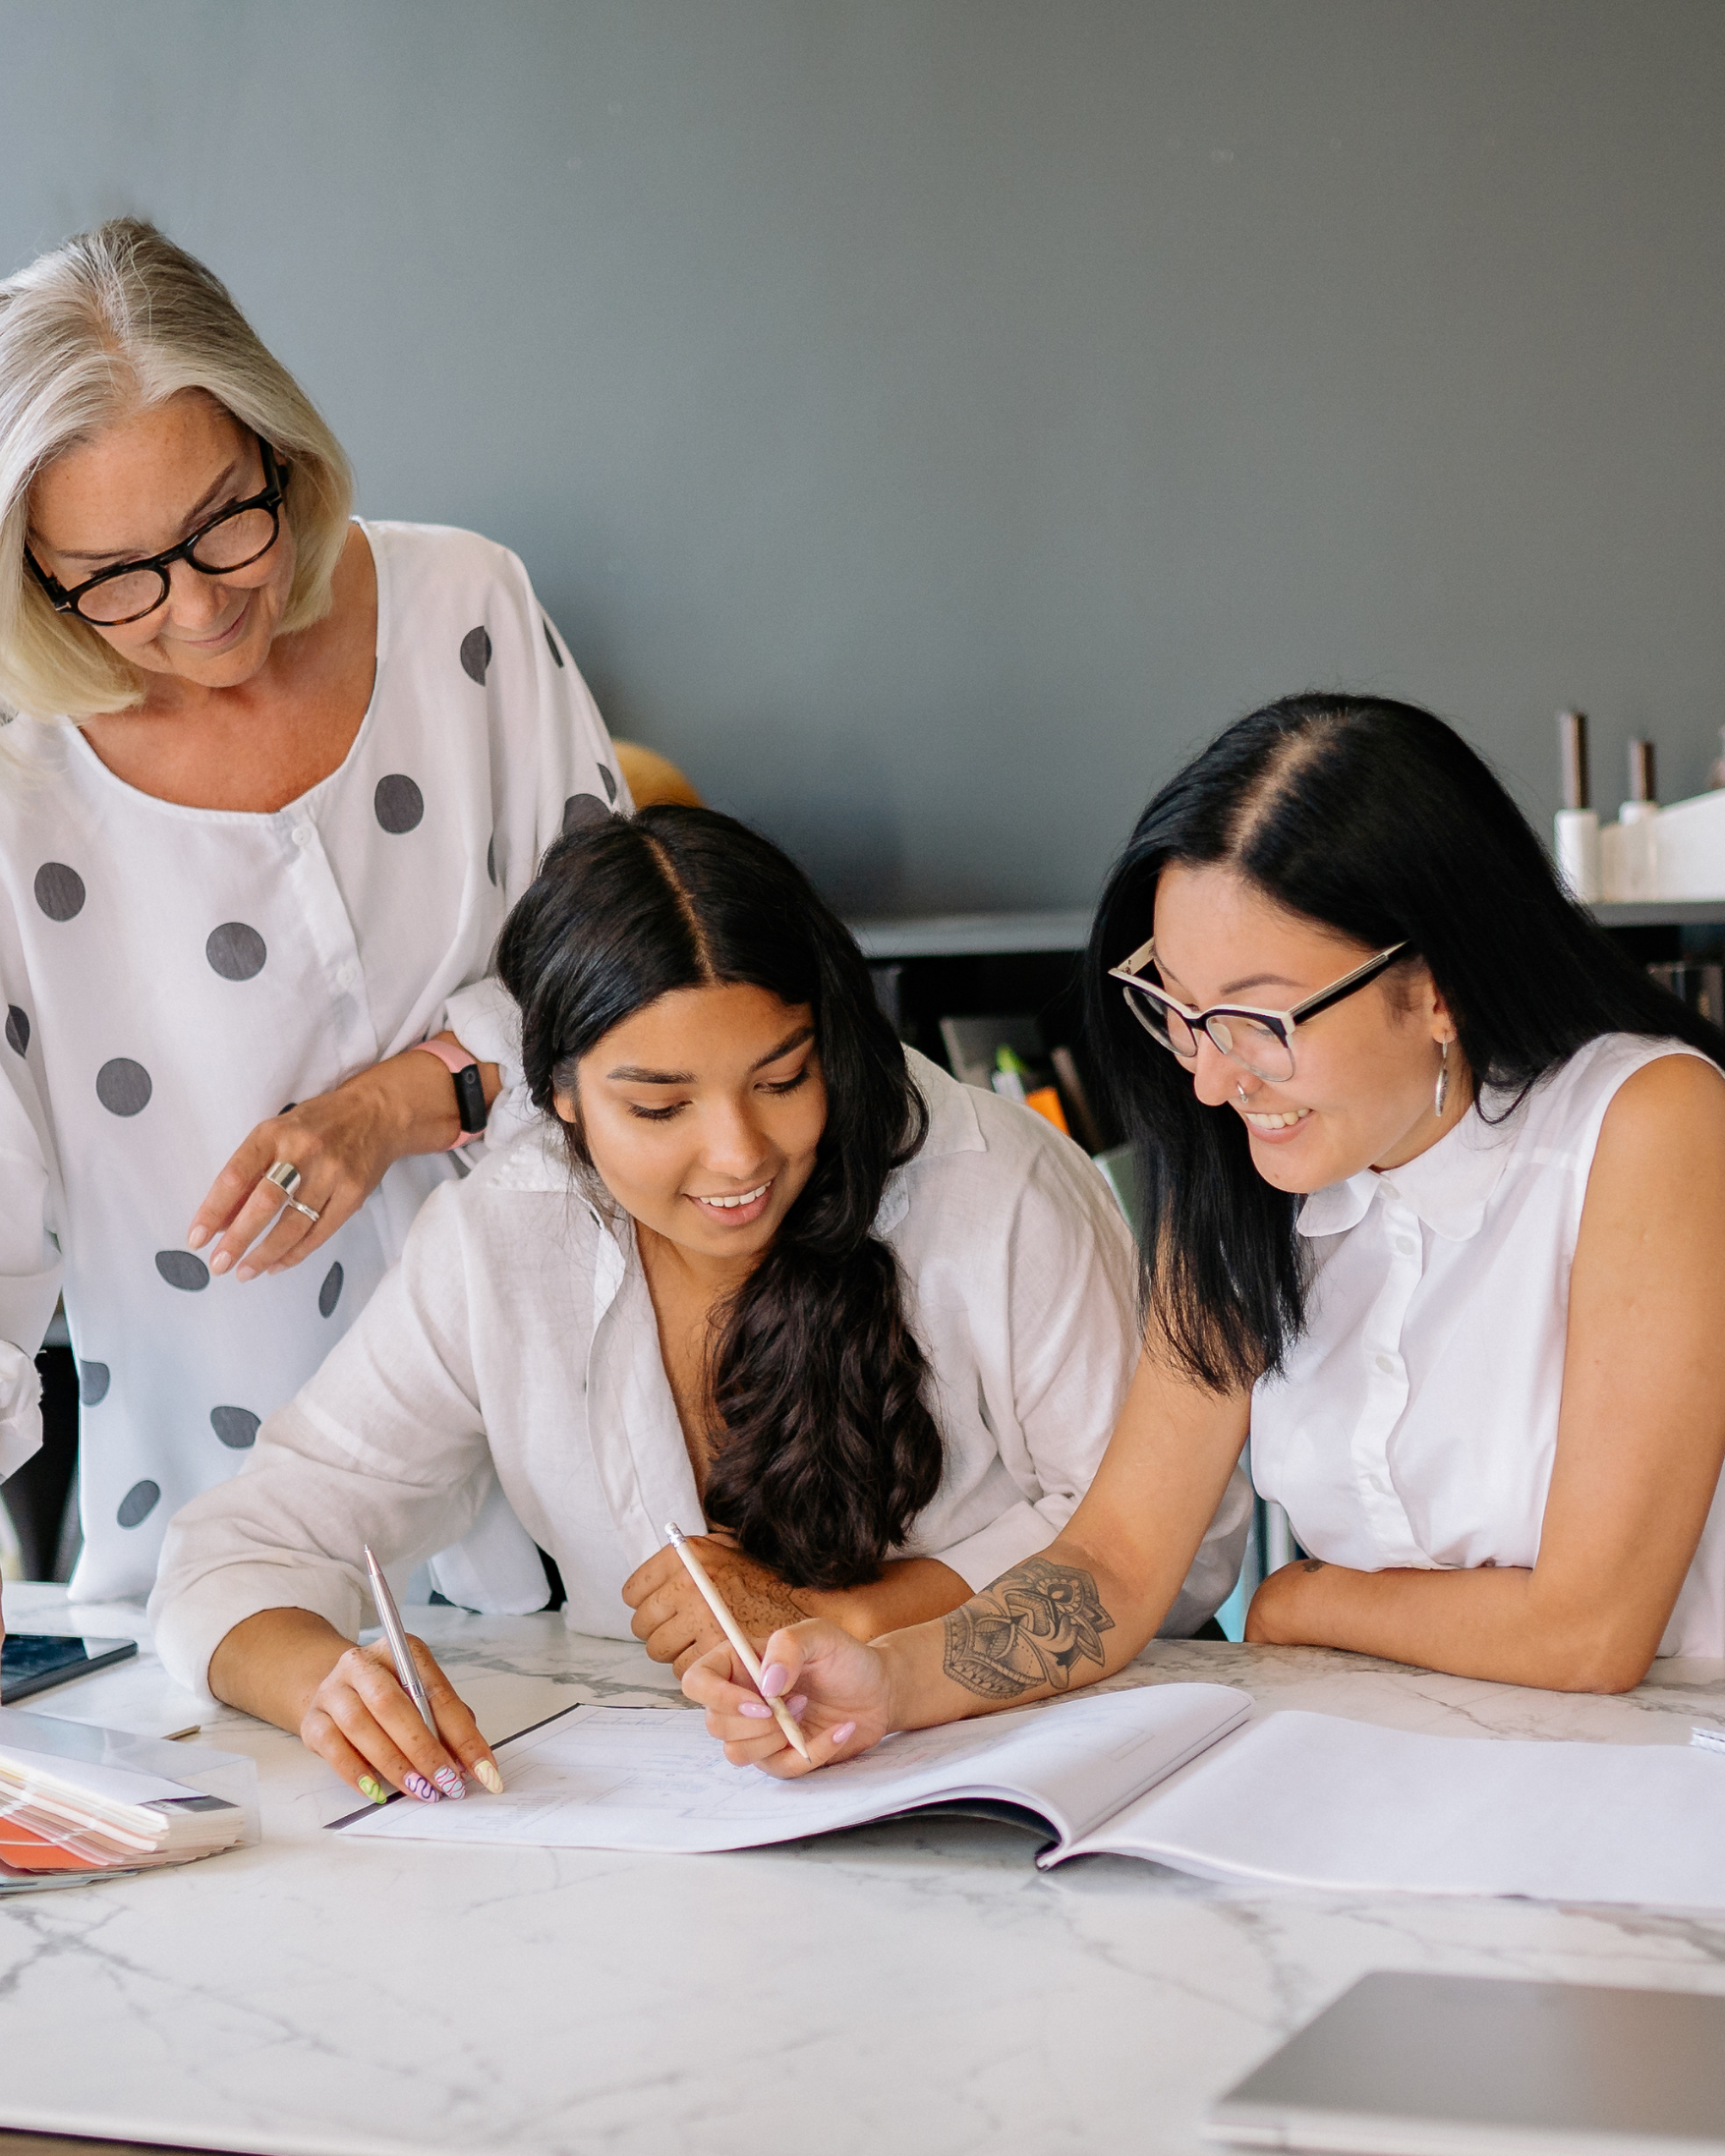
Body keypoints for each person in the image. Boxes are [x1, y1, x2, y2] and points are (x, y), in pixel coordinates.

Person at [685, 693, 1725, 1775]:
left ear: (1435, 987)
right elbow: (1118, 1561)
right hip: (1386, 1763)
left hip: (1658, 1772)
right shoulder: (1246, 1161)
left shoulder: (1645, 1123)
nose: (1212, 1076)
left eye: (1262, 1020)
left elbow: (1591, 1632)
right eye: (1178, 1007)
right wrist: (892, 1680)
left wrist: (1311, 1600)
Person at [147, 806, 1250, 1803]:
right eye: (659, 1104)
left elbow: (1173, 1542)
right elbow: (239, 1544)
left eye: (781, 1079)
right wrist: (318, 1681)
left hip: (1022, 1789)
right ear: (562, 1095)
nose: (739, 1154)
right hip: (681, 1820)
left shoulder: (990, 1183)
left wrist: (859, 1614)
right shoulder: (500, 1238)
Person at [0, 218, 628, 1607]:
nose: (202, 608)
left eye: (226, 519)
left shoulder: (464, 606)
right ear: (36, 575)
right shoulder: (14, 781)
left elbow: (633, 990)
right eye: (113, 578)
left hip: (576, 1479)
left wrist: (404, 1100)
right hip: (220, 1541)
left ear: (280, 445)